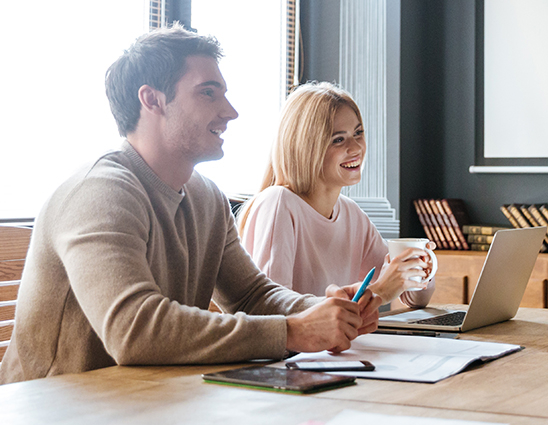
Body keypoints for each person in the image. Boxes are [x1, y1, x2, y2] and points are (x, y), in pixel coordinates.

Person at [0, 24, 381, 385]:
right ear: (152, 100)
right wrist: (294, 331)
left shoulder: (205, 197)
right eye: (208, 93)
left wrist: (322, 312)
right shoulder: (98, 193)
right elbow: (134, 329)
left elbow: (252, 296)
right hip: (55, 408)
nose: (230, 111)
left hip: (148, 400)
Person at [237, 82, 435, 308]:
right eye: (338, 139)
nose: (356, 148)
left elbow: (412, 299)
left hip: (339, 344)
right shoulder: (279, 203)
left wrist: (421, 271)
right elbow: (273, 313)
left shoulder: (351, 214)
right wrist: (379, 291)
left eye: (358, 133)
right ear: (306, 148)